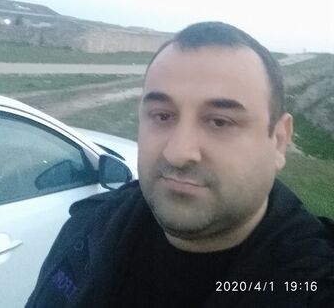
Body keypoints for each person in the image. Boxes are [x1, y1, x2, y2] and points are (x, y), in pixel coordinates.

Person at [26, 21, 334, 308]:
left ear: (279, 141)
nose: (178, 153)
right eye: (162, 115)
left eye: (220, 121)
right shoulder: (88, 227)